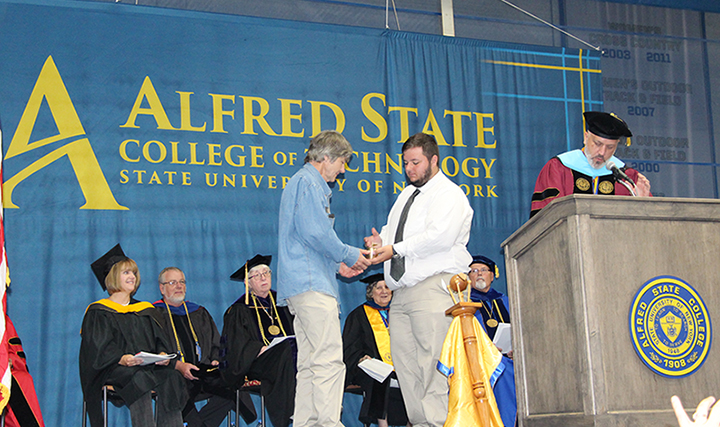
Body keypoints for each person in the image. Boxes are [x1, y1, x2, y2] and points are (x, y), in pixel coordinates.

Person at [365, 132, 473, 427]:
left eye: (415, 162)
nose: (409, 169)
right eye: (406, 163)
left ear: (433, 159)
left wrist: (394, 248)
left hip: (433, 287)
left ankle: (439, 422)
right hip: (402, 293)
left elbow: (439, 238)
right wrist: (380, 241)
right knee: (406, 366)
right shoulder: (406, 195)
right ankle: (422, 423)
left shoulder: (449, 194)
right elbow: (393, 233)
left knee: (432, 363)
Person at [277, 130, 371, 427]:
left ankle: (307, 423)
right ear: (326, 158)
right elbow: (316, 232)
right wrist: (349, 255)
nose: (343, 170)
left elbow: (305, 239)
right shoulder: (308, 183)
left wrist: (336, 266)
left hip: (301, 284)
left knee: (308, 363)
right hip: (312, 286)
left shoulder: (300, 183)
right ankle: (328, 423)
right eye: (342, 162)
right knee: (329, 359)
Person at [80, 244, 186, 427]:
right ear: (113, 277)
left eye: (133, 273)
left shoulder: (145, 309)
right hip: (112, 369)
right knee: (138, 378)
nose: (132, 277)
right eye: (126, 273)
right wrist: (121, 359)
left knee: (171, 377)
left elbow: (160, 341)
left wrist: (162, 355)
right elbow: (97, 349)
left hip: (144, 367)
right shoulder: (98, 311)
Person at [152, 267, 255, 427]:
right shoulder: (153, 315)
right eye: (172, 282)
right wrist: (178, 365)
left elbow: (216, 344)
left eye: (182, 282)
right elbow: (154, 350)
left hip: (201, 371)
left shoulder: (199, 312)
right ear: (162, 288)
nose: (179, 286)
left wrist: (215, 359)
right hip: (173, 372)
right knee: (173, 383)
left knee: (232, 379)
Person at [220, 254, 297, 427]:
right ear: (247, 282)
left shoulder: (284, 303)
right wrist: (257, 349)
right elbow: (236, 346)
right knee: (287, 349)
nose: (263, 278)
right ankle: (291, 414)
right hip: (256, 364)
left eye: (266, 273)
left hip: (289, 359)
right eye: (257, 275)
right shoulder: (239, 309)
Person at [530, 111, 652, 218]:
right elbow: (546, 218)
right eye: (597, 144)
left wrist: (642, 204)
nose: (602, 152)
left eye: (610, 147)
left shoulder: (627, 177)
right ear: (585, 137)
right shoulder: (559, 168)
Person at [342, 273, 409, 427]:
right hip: (372, 364)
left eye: (387, 287)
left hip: (403, 362)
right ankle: (382, 423)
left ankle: (411, 421)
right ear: (371, 292)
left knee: (415, 375)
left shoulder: (401, 312)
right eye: (378, 288)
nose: (384, 291)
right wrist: (360, 358)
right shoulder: (358, 314)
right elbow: (350, 345)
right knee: (378, 374)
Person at [468, 255, 510, 348]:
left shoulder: (506, 300)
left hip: (509, 356)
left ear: (492, 276)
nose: (479, 273)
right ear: (469, 278)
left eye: (483, 270)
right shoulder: (466, 303)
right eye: (474, 271)